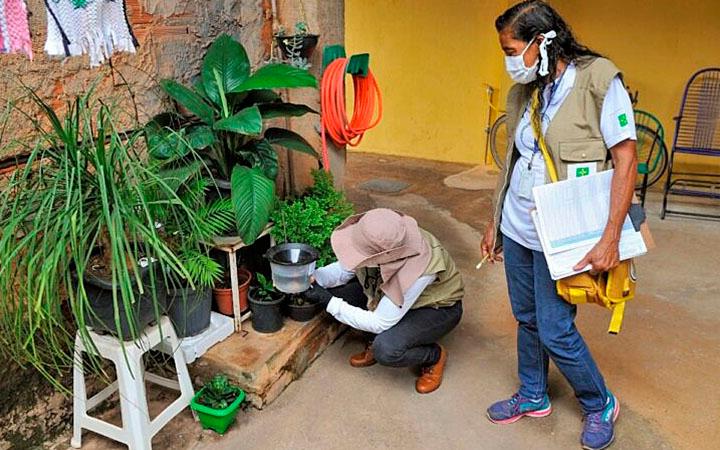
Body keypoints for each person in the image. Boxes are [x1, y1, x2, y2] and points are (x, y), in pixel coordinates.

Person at [480, 2, 637, 449]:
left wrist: (611, 238)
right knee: (526, 318)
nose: (509, 60)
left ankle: (599, 402)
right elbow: (513, 162)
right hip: (517, 228)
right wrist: (494, 223)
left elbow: (626, 159)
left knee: (555, 327)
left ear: (542, 41)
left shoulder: (598, 81)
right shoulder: (524, 91)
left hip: (564, 235)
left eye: (511, 49)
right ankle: (533, 394)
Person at [304, 208, 464, 394]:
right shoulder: (383, 237)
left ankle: (434, 356)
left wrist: (328, 301)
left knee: (386, 349)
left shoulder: (419, 268)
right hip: (388, 295)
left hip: (435, 308)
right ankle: (375, 337)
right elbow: (344, 269)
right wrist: (313, 279)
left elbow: (379, 322)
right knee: (341, 295)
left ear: (383, 257)